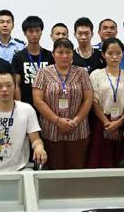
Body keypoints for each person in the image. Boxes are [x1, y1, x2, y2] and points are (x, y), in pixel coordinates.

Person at [32, 38, 93, 170]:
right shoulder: (43, 73)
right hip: (51, 130)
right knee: (55, 170)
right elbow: (38, 101)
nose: (64, 56)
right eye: (60, 52)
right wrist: (58, 120)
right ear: (53, 54)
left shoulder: (82, 73)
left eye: (68, 52)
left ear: (72, 54)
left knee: (77, 169)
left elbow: (88, 100)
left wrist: (76, 121)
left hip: (78, 130)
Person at [87, 38, 124, 168]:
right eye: (110, 53)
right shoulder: (96, 75)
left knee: (120, 161)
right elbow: (93, 102)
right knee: (100, 160)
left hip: (123, 123)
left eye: (118, 53)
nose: (114, 57)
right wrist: (107, 123)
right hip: (101, 122)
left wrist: (118, 123)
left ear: (122, 54)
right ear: (103, 54)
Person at [12, 16, 54, 108]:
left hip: (46, 104)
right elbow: (16, 85)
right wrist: (19, 107)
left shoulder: (49, 55)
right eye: (31, 31)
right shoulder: (18, 57)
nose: (34, 34)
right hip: (26, 104)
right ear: (25, 33)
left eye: (37, 31)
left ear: (41, 32)